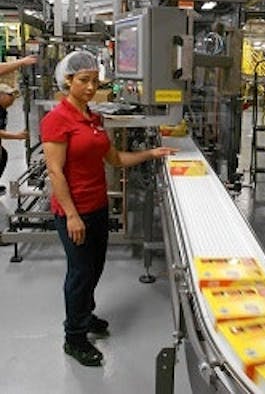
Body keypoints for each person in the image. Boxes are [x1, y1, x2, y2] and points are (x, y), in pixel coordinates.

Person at [40, 50, 178, 367]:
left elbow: (114, 159)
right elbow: (55, 172)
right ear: (67, 81)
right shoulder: (57, 120)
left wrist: (152, 153)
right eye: (83, 81)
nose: (90, 87)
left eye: (94, 81)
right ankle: (74, 338)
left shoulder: (93, 118)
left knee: (94, 268)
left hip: (98, 205)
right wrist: (72, 215)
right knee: (80, 273)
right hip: (75, 211)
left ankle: (85, 316)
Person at [0, 83, 29, 195]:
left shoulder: (3, 110)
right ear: (1, 95)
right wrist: (17, 136)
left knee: (3, 156)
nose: (12, 101)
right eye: (10, 96)